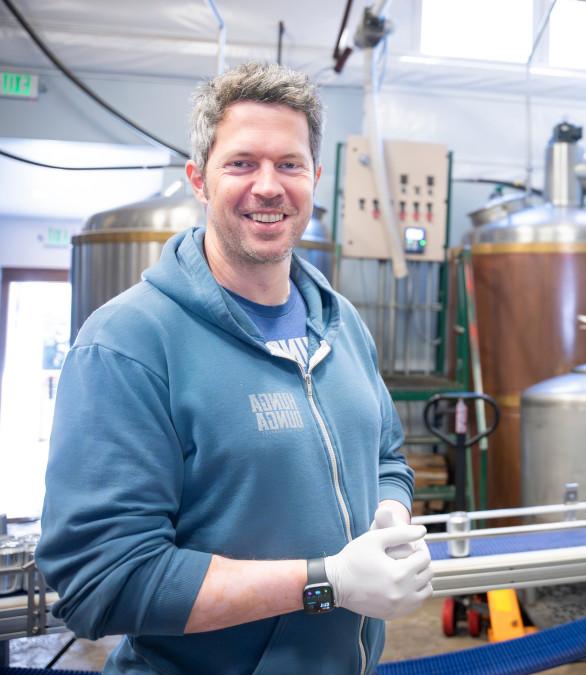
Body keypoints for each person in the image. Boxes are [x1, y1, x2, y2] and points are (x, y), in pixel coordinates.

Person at [36, 62, 432, 673]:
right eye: (242, 163)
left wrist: (390, 511)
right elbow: (101, 578)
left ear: (316, 178)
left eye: (290, 164)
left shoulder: (342, 323)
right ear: (199, 178)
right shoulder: (128, 342)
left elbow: (386, 457)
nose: (269, 186)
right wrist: (326, 581)